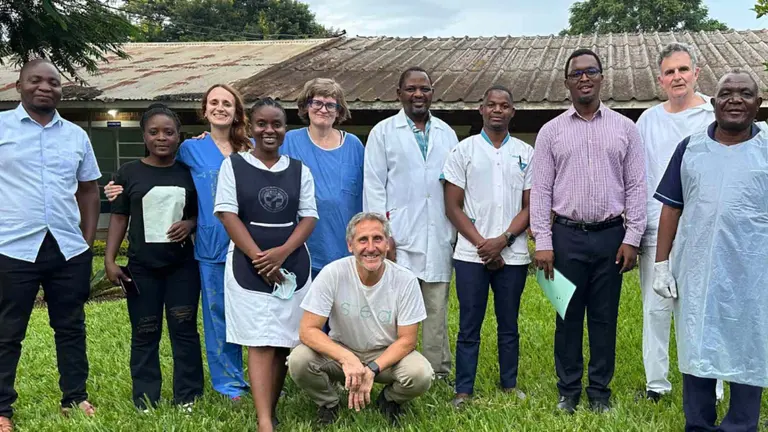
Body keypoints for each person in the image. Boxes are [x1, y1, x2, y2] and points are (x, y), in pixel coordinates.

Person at [105, 84, 252, 400]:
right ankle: (228, 384)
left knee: (252, 314)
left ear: (237, 110)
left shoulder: (251, 148)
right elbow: (154, 174)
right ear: (204, 109)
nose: (220, 107)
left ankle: (263, 376)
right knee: (216, 316)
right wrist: (116, 189)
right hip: (211, 245)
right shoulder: (190, 150)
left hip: (251, 245)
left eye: (227, 103)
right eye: (213, 102)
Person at [530, 49, 646, 414]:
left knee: (604, 317)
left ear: (601, 78)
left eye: (590, 71)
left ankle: (599, 392)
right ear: (567, 83)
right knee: (566, 316)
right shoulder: (550, 132)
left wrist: (632, 238)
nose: (584, 78)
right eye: (576, 73)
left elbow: (637, 187)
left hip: (611, 237)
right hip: (564, 238)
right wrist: (543, 242)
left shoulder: (626, 129)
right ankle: (568, 390)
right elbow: (541, 191)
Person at [653, 70, 768, 432]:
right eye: (726, 93)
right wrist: (660, 264)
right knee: (697, 345)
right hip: (698, 270)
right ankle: (699, 425)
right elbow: (671, 207)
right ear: (713, 103)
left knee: (750, 345)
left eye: (745, 93)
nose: (735, 99)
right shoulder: (690, 148)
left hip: (754, 273)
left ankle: (740, 425)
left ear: (758, 104)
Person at [0, 59, 101, 432]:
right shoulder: (1, 128)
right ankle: (1, 409)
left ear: (62, 90)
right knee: (7, 332)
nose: (45, 87)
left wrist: (86, 243)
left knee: (71, 327)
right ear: (18, 86)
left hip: (66, 249)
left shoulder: (76, 135)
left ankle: (74, 398)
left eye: (54, 82)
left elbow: (89, 190)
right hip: (11, 248)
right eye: (36, 80)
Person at [214, 98, 317, 432]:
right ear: (250, 126)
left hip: (292, 264)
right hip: (248, 264)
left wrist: (282, 253)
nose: (269, 130)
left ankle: (270, 407)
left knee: (285, 340)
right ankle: (264, 422)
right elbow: (227, 214)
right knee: (260, 341)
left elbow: (308, 217)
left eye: (277, 124)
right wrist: (260, 257)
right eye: (262, 123)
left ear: (286, 129)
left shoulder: (300, 169)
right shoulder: (233, 165)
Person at [636, 42, 723, 402]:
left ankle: (712, 385)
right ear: (661, 79)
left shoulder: (713, 118)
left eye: (683, 70)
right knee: (654, 311)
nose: (677, 77)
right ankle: (656, 385)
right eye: (670, 72)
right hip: (656, 231)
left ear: (696, 74)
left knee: (703, 310)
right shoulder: (648, 121)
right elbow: (637, 176)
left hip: (703, 232)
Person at [288, 212, 433, 427]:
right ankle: (329, 403)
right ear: (350, 245)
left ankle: (390, 399)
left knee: (421, 374)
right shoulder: (333, 273)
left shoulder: (405, 280)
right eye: (362, 240)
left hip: (386, 353)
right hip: (342, 350)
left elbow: (407, 340)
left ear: (387, 244)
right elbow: (308, 330)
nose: (371, 247)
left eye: (378, 239)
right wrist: (347, 359)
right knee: (298, 360)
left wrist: (372, 368)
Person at [104, 104, 204, 411]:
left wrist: (190, 224)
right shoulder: (129, 173)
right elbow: (120, 217)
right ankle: (146, 398)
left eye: (169, 132)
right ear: (144, 136)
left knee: (183, 330)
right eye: (154, 132)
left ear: (179, 137)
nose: (162, 138)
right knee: (145, 331)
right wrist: (110, 260)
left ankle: (188, 396)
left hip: (182, 268)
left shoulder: (190, 173)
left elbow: (203, 213)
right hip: (142, 268)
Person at [363, 66, 458, 382]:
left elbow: (455, 185)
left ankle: (437, 372)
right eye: (412, 89)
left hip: (439, 233)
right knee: (396, 308)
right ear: (399, 93)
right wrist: (381, 238)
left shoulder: (447, 133)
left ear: (433, 93)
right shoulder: (383, 132)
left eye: (425, 89)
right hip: (397, 238)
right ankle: (393, 370)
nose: (419, 94)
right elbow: (374, 187)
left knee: (435, 307)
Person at [442, 85, 533, 407]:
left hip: (514, 254)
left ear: (512, 112)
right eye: (491, 105)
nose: (497, 110)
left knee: (508, 323)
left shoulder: (525, 152)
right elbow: (452, 206)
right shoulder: (462, 151)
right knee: (469, 324)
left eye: (504, 105)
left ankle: (509, 384)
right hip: (470, 254)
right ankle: (463, 390)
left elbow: (530, 205)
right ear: (481, 109)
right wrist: (483, 244)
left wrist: (503, 241)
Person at [281, 78, 364, 280]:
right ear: (306, 106)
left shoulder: (354, 145)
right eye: (316, 103)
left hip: (345, 250)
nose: (323, 109)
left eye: (330, 105)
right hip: (302, 249)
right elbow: (251, 153)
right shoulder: (289, 141)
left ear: (339, 110)